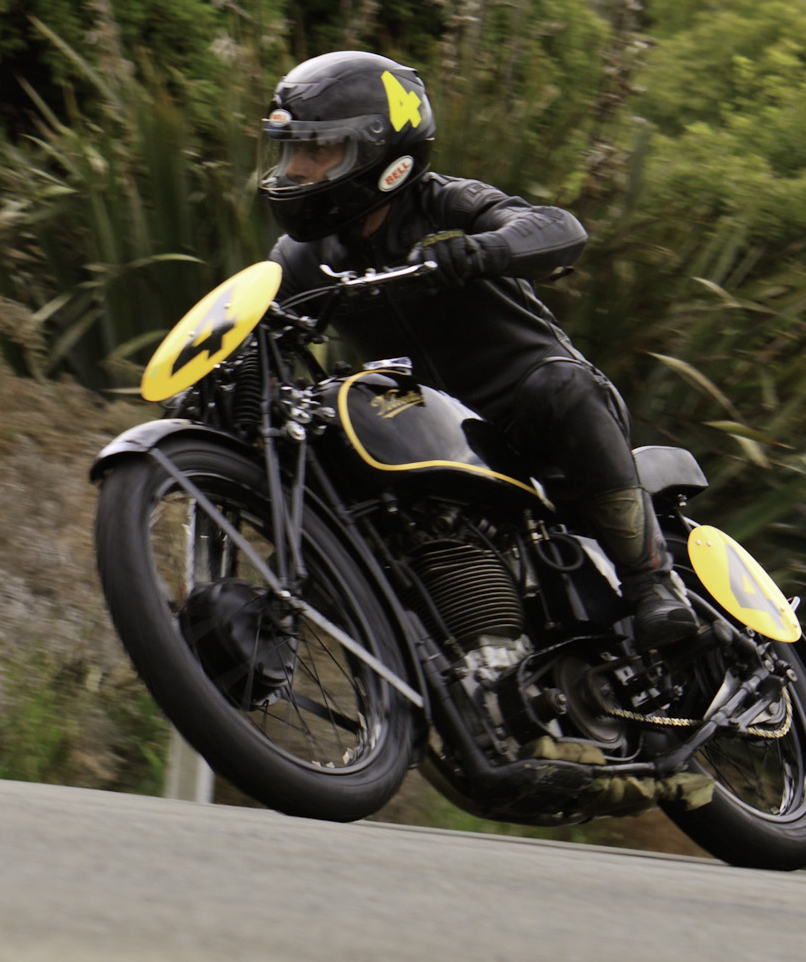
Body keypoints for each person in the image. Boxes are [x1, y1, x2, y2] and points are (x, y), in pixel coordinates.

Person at [258, 50, 696, 649]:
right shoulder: (301, 258)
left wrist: (481, 251)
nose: (299, 169)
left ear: (381, 154)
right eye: (293, 151)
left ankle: (652, 583)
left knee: (559, 386)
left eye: (319, 150)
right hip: (433, 439)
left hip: (537, 418)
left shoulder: (445, 202)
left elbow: (559, 230)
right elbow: (257, 319)